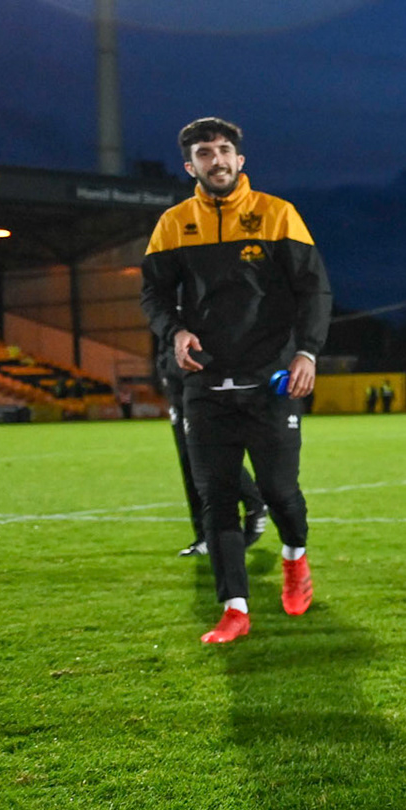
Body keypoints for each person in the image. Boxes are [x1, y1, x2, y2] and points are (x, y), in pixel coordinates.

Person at [141, 116, 332, 644]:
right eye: (205, 153)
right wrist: (174, 331)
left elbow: (314, 290)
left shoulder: (277, 214)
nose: (217, 160)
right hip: (204, 383)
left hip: (271, 380)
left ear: (240, 159)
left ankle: (295, 557)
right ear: (190, 166)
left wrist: (307, 352)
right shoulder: (174, 224)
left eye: (224, 150)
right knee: (216, 498)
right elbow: (154, 294)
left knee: (279, 491)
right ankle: (234, 608)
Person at [156, 340, 266, 558]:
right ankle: (204, 536)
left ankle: (254, 502)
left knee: (208, 456)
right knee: (189, 461)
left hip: (201, 370)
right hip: (173, 366)